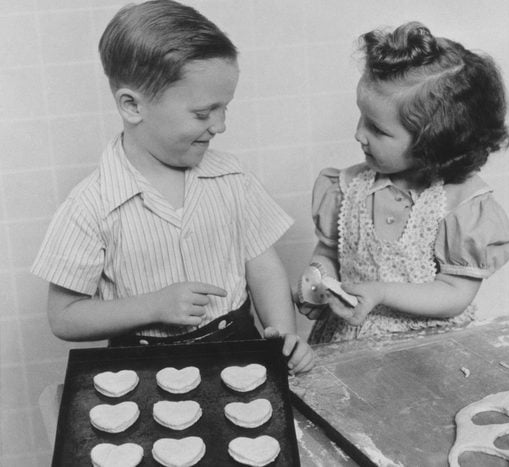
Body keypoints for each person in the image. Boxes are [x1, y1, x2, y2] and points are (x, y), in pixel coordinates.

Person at [30, 0, 314, 373]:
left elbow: (263, 268)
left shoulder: (232, 178)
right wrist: (154, 306)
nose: (220, 125)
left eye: (224, 107)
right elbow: (64, 317)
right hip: (145, 366)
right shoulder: (90, 206)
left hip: (238, 345)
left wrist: (283, 336)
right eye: (203, 113)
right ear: (132, 106)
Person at [300, 22, 509, 344]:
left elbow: (455, 293)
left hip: (427, 345)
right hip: (347, 339)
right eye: (362, 118)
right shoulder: (346, 188)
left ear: (434, 144)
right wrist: (321, 281)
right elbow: (330, 251)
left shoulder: (460, 206)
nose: (359, 134)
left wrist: (382, 293)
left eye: (378, 129)